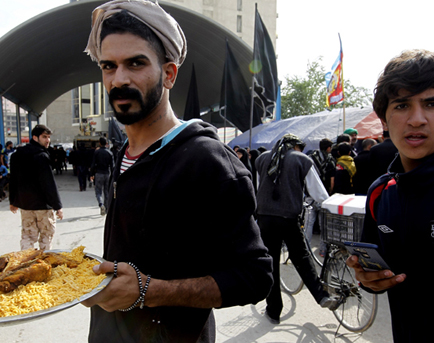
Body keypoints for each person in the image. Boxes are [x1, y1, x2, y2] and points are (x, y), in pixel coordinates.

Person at [81, 1, 273, 341]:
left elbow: (254, 276)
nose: (119, 79)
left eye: (135, 63)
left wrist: (148, 291)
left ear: (169, 74)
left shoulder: (208, 161)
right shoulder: (125, 153)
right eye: (108, 66)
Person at [346, 49, 434, 342]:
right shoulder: (381, 192)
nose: (416, 119)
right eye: (402, 105)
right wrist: (370, 280)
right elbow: (375, 273)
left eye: (432, 103)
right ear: (384, 118)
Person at [254, 133, 337, 324]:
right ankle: (321, 296)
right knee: (301, 256)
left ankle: (273, 311)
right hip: (288, 218)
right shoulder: (301, 160)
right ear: (296, 146)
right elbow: (320, 194)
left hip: (265, 218)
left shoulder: (262, 158)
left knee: (271, 262)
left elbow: (260, 188)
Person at [9, 124, 64, 250]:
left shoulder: (16, 155)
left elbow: (13, 180)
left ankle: (26, 264)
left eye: (48, 137)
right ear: (35, 137)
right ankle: (43, 265)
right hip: (43, 206)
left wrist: (13, 201)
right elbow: (48, 183)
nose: (47, 140)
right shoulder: (41, 156)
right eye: (44, 137)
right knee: (46, 236)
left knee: (27, 236)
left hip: (26, 205)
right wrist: (57, 206)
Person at [90, 136, 114, 215]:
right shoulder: (110, 153)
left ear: (99, 143)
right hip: (107, 174)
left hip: (98, 173)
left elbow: (93, 164)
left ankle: (101, 204)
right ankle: (106, 208)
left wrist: (91, 174)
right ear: (106, 143)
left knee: (98, 191)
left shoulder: (97, 152)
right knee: (106, 191)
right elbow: (112, 166)